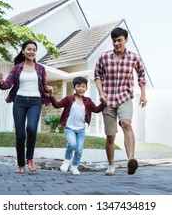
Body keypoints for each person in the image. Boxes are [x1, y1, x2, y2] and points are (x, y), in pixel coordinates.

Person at [94, 27, 147, 176]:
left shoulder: (134, 58)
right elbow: (97, 75)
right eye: (114, 40)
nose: (116, 43)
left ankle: (131, 160)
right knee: (111, 136)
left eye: (119, 40)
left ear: (126, 40)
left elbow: (142, 76)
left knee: (126, 123)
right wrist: (101, 92)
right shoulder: (104, 57)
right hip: (108, 99)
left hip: (124, 97)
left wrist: (143, 95)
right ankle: (111, 165)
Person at [0, 40, 52, 173]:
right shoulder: (17, 68)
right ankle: (21, 164)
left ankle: (30, 158)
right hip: (19, 101)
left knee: (32, 128)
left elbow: (43, 86)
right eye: (29, 49)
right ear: (23, 51)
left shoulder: (40, 69)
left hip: (35, 101)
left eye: (34, 49)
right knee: (20, 134)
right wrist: (1, 82)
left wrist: (48, 89)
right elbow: (7, 85)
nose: (31, 51)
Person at [49, 76, 105, 175]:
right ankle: (66, 161)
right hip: (70, 128)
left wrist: (103, 103)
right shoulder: (69, 99)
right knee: (72, 144)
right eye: (78, 86)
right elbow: (56, 105)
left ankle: (74, 166)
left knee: (79, 149)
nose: (80, 88)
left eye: (83, 86)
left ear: (86, 89)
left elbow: (96, 109)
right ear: (74, 88)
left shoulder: (88, 101)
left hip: (81, 130)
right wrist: (51, 95)